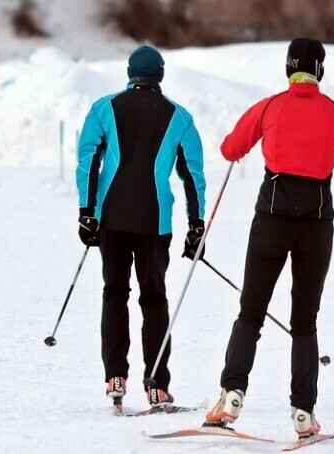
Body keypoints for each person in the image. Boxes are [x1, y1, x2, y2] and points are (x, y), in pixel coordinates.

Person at [204, 38, 334, 437]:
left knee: (251, 310)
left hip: (271, 221)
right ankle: (303, 412)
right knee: (305, 321)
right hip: (316, 226)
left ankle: (231, 395)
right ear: (319, 70)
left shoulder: (269, 106)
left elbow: (231, 149)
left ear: (289, 68)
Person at [76, 45, 207, 409]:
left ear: (130, 72)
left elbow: (88, 160)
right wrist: (197, 226)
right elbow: (192, 176)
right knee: (154, 300)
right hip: (154, 222)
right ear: (160, 74)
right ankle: (157, 385)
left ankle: (115, 376)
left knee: (114, 294)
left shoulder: (104, 108)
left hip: (112, 219)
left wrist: (87, 212)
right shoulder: (179, 117)